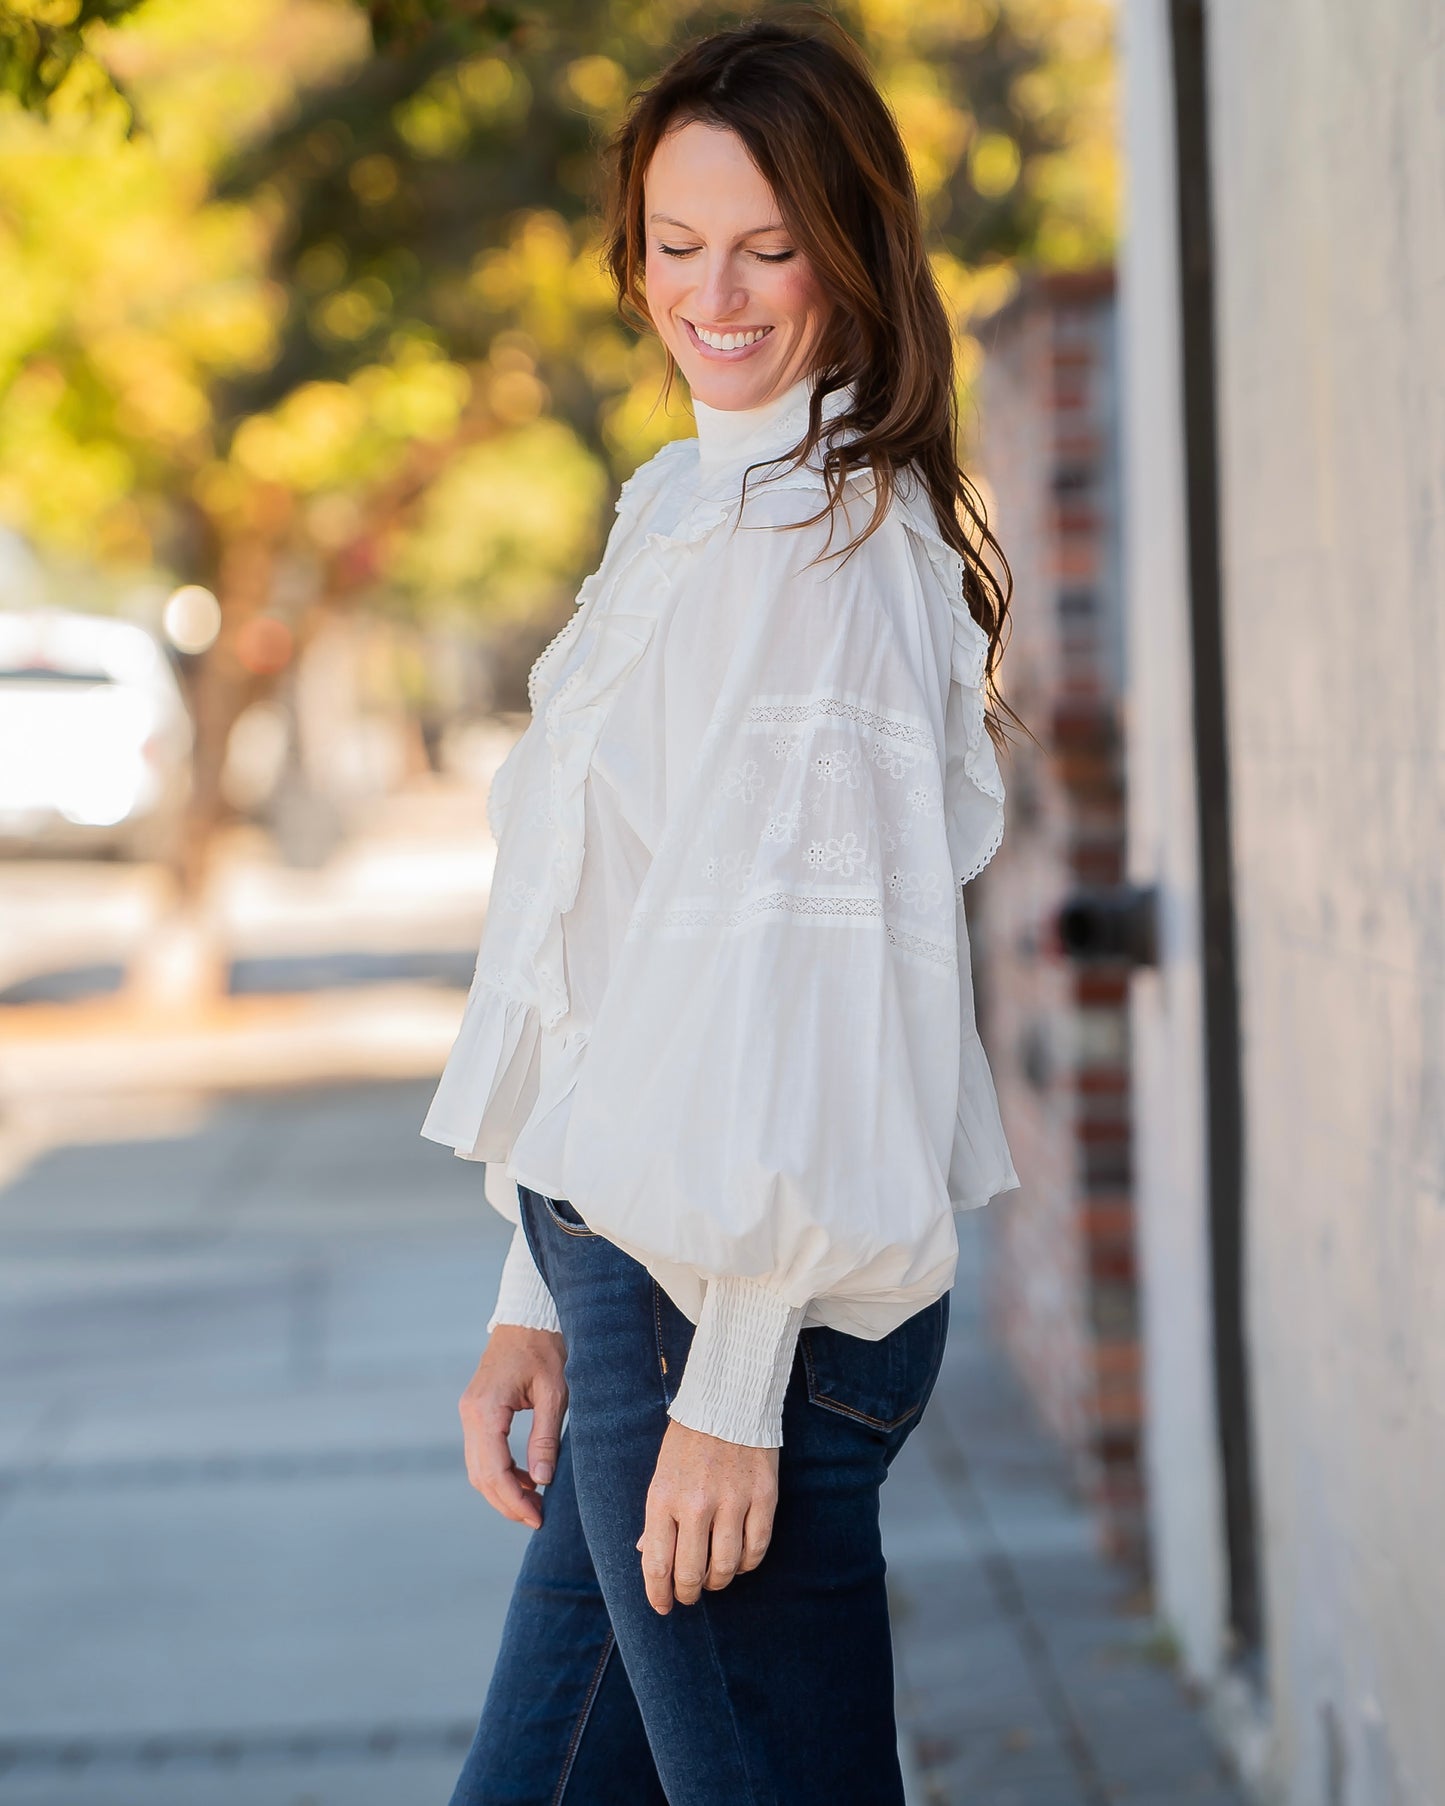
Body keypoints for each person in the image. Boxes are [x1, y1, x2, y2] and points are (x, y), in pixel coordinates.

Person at [421, 14, 1019, 1804]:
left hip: (723, 1307)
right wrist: (535, 1281)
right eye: (677, 246)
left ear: (852, 252)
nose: (718, 294)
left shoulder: (827, 550)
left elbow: (807, 984)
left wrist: (733, 1372)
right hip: (636, 1283)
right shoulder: (687, 505)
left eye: (770, 246)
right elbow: (605, 948)